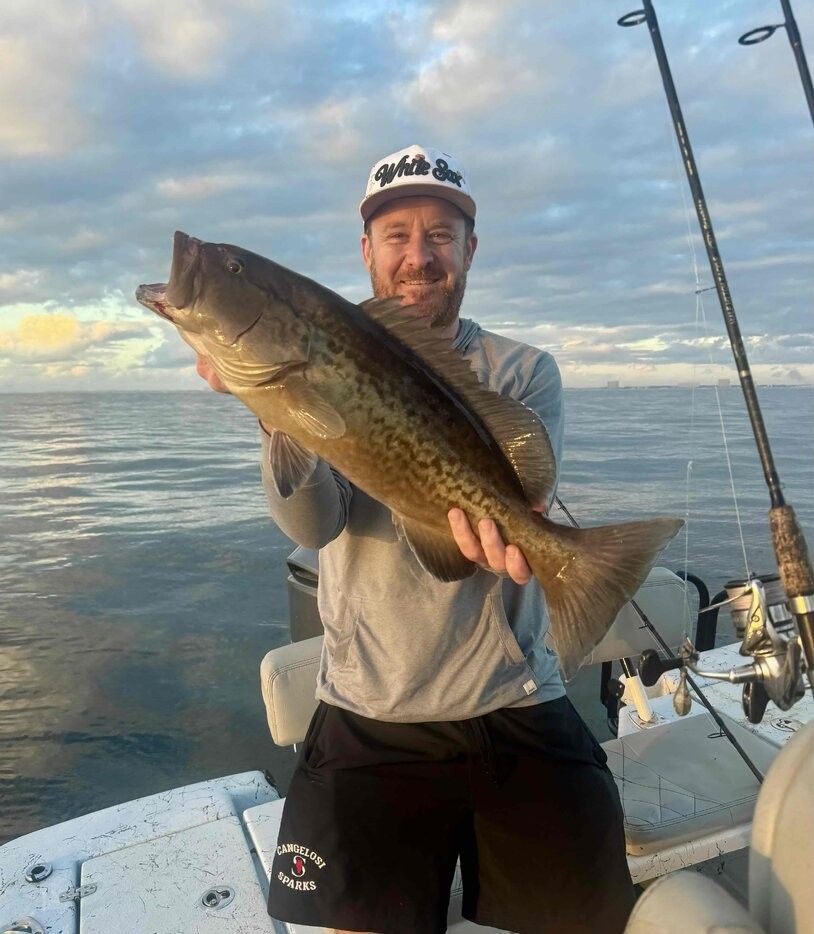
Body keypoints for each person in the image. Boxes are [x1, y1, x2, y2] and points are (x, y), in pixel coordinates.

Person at [197, 144, 635, 934]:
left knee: (586, 916)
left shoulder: (523, 369)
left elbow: (518, 499)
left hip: (514, 699)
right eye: (396, 235)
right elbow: (315, 523)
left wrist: (531, 546)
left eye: (441, 234)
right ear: (366, 252)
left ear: (470, 249)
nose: (418, 255)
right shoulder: (311, 353)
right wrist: (270, 408)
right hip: (368, 712)